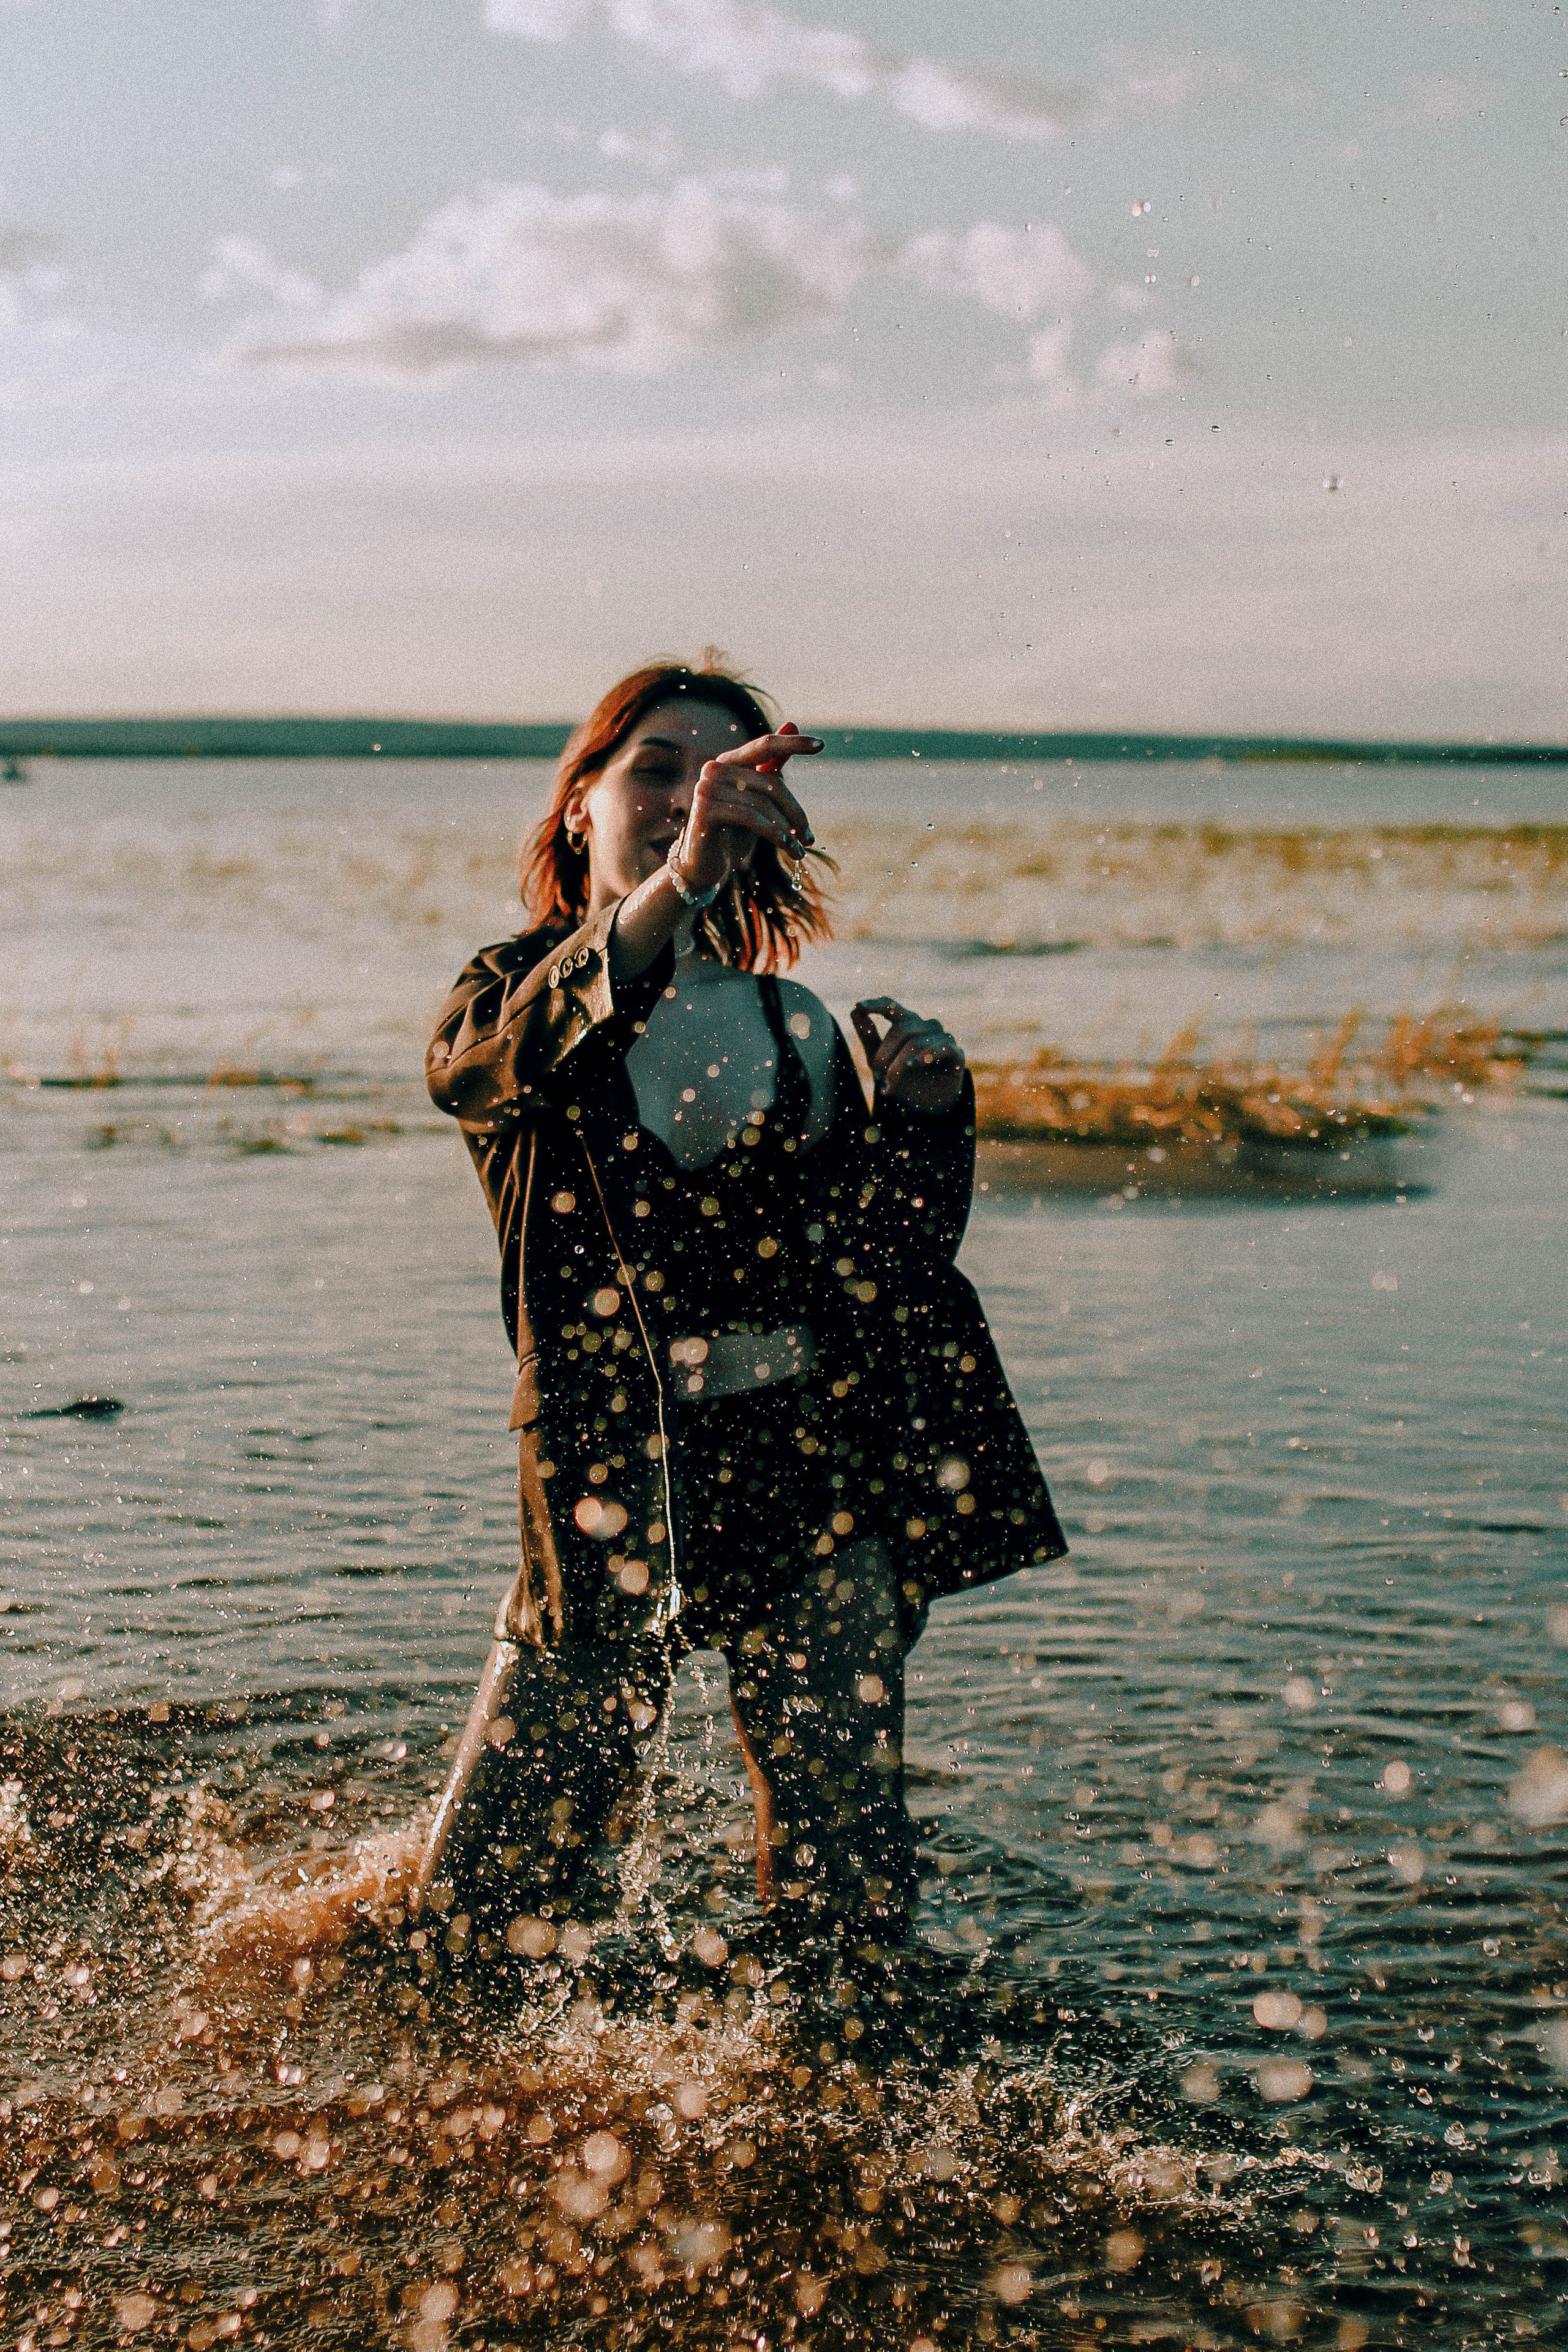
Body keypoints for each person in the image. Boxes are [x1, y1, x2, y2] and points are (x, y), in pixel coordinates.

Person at [413, 660, 1065, 1964]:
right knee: (478, 1909)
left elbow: (880, 1272)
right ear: (581, 803)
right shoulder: (512, 991)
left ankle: (828, 2066)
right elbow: (480, 1074)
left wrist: (931, 1124)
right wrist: (675, 885)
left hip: (812, 1470)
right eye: (658, 769)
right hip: (606, 1473)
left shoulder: (792, 1021)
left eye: (725, 778)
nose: (687, 796)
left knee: (846, 1897)